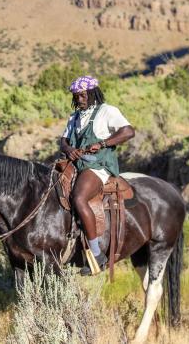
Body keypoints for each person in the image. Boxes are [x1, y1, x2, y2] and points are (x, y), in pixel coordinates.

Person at [59, 76, 135, 275]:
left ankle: (97, 254)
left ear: (93, 93)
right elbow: (63, 141)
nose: (80, 99)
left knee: (79, 197)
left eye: (83, 95)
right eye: (77, 96)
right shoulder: (74, 117)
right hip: (76, 164)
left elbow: (128, 131)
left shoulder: (107, 111)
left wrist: (103, 144)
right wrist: (68, 150)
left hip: (98, 167)